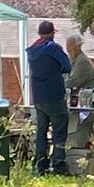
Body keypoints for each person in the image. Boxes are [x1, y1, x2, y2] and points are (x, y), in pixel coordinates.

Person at [26, 21, 71, 175]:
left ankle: (41, 163)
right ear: (52, 33)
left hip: (38, 96)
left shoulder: (32, 50)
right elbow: (67, 66)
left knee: (41, 131)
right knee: (59, 130)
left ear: (39, 33)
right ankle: (58, 163)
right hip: (54, 93)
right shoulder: (53, 48)